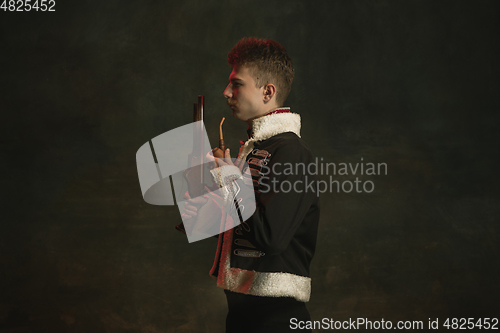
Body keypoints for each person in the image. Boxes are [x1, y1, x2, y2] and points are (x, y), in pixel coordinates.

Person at [184, 37, 320, 333]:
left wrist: (230, 179)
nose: (226, 92)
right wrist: (202, 203)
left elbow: (270, 238)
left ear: (268, 91)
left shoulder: (292, 152)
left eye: (237, 84)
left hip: (277, 321)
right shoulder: (255, 150)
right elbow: (241, 228)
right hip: (242, 316)